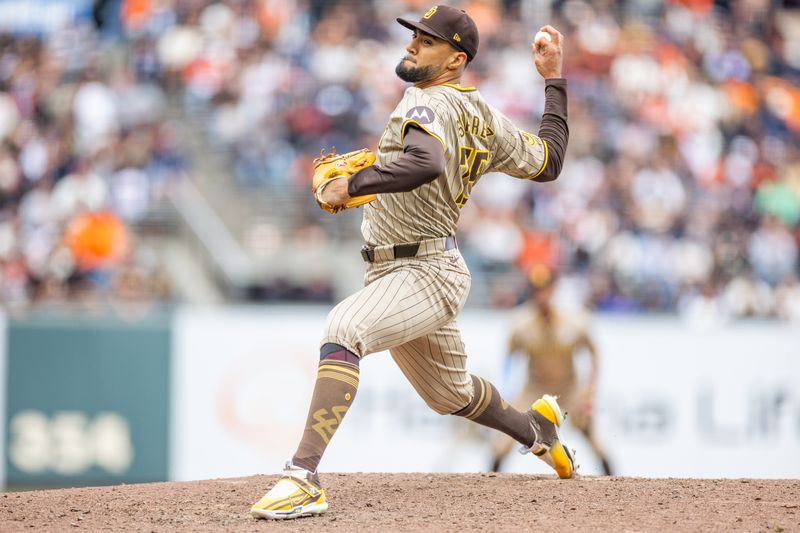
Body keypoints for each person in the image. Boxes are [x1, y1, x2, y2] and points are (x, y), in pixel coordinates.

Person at [251, 5, 573, 520]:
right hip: (421, 267)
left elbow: (425, 161)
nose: (412, 46)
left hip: (421, 270)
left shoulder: (424, 98)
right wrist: (553, 79)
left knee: (344, 327)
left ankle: (302, 477)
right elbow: (550, 161)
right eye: (415, 36)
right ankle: (538, 431)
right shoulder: (485, 117)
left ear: (455, 59)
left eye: (426, 40)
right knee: (452, 394)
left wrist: (351, 183)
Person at [490, 267, 613, 475]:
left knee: (594, 440)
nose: (542, 296)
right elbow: (508, 360)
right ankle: (489, 482)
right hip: (534, 389)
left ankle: (615, 484)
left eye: (546, 290)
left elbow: (594, 354)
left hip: (570, 388)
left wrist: (589, 392)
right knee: (504, 438)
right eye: (537, 291)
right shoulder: (521, 325)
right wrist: (507, 393)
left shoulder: (574, 322)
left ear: (554, 290)